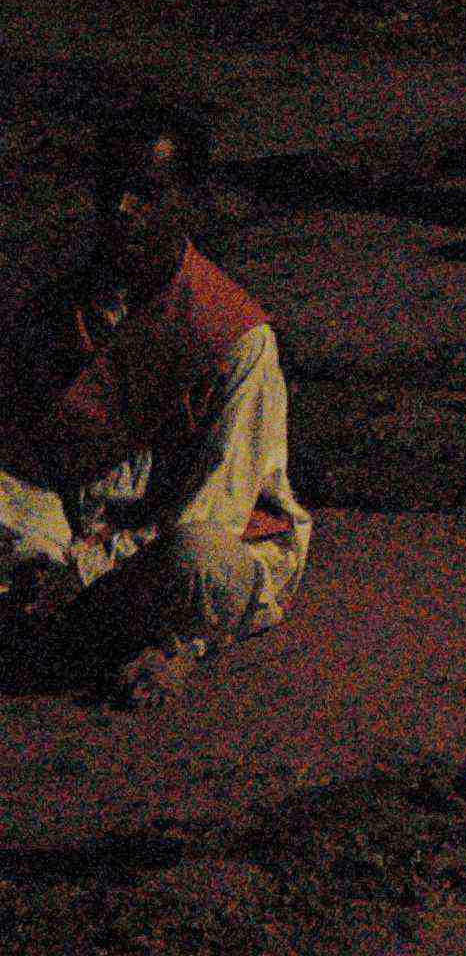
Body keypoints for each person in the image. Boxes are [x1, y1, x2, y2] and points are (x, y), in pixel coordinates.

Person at [3, 108, 311, 705]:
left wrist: (85, 569)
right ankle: (75, 623)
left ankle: (164, 639)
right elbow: (32, 461)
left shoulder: (237, 337)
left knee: (200, 560)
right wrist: (50, 550)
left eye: (145, 193)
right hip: (79, 544)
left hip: (169, 555)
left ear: (189, 202)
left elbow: (215, 512)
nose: (122, 210)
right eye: (112, 191)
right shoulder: (60, 311)